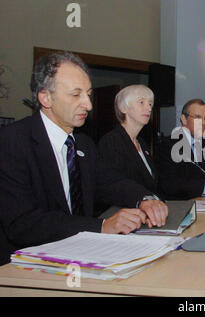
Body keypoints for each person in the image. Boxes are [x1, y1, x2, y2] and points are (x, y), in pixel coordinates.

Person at [0, 52, 167, 265]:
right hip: (27, 269)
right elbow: (23, 223)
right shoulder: (12, 142)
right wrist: (102, 226)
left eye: (88, 94)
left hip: (81, 261)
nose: (88, 105)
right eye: (76, 95)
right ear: (45, 98)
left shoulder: (84, 145)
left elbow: (110, 181)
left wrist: (145, 199)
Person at [96, 85, 165, 208]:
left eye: (150, 104)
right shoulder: (111, 142)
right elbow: (113, 186)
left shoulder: (142, 144)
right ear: (123, 108)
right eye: (141, 102)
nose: (148, 108)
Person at [156, 99, 205, 200]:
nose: (203, 123)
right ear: (184, 119)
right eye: (197, 117)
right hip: (179, 207)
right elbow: (169, 184)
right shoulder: (168, 144)